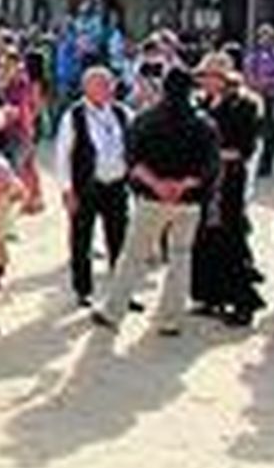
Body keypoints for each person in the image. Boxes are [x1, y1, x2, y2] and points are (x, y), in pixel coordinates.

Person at [93, 67, 220, 336]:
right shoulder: (205, 123)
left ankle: (114, 311)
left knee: (133, 256)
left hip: (152, 199)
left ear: (164, 88)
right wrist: (183, 184)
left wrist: (157, 184)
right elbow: (211, 167)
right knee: (180, 258)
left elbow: (132, 159)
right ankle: (170, 319)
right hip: (188, 201)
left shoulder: (146, 119)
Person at [190, 52, 266, 328]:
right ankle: (211, 296)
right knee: (205, 237)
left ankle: (244, 301)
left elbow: (244, 148)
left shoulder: (244, 105)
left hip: (229, 179)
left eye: (210, 76)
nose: (205, 81)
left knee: (230, 238)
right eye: (203, 76)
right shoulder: (202, 102)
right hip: (206, 180)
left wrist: (212, 154)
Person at [55, 66, 133, 308]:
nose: (107, 89)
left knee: (120, 239)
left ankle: (122, 291)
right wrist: (67, 190)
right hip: (86, 186)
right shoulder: (74, 115)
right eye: (101, 85)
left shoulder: (122, 112)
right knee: (82, 240)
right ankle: (83, 290)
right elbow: (63, 155)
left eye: (109, 84)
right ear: (87, 88)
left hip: (116, 185)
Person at [244, 24, 274, 180]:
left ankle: (266, 165)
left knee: (271, 132)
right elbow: (248, 75)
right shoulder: (253, 58)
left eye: (269, 37)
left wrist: (270, 83)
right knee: (253, 130)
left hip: (273, 98)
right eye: (262, 36)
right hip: (256, 97)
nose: (265, 40)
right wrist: (256, 84)